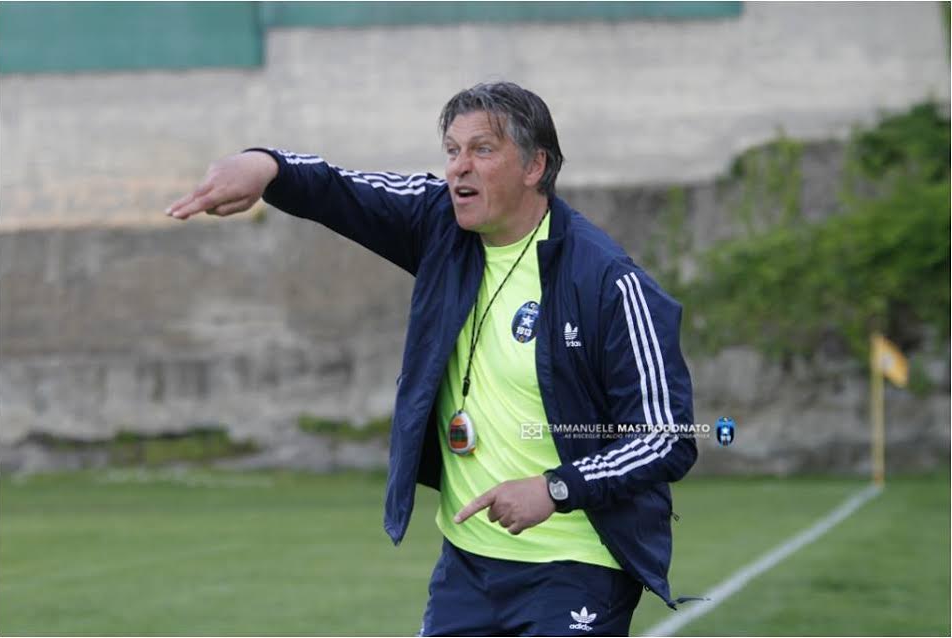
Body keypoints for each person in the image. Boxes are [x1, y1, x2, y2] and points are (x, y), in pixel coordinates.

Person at [167, 81, 698, 637]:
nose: (458, 168)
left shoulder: (608, 282)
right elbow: (341, 190)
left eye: (482, 150)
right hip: (468, 569)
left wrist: (555, 488)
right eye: (451, 150)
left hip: (578, 568)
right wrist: (266, 166)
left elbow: (667, 437)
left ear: (535, 166)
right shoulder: (438, 223)